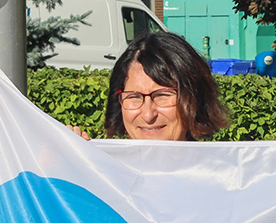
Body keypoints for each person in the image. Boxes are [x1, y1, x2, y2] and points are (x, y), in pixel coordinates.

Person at [69, 32, 228, 141]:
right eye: (134, 97)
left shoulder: (226, 180)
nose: (148, 115)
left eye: (162, 95)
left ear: (195, 98)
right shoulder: (104, 176)